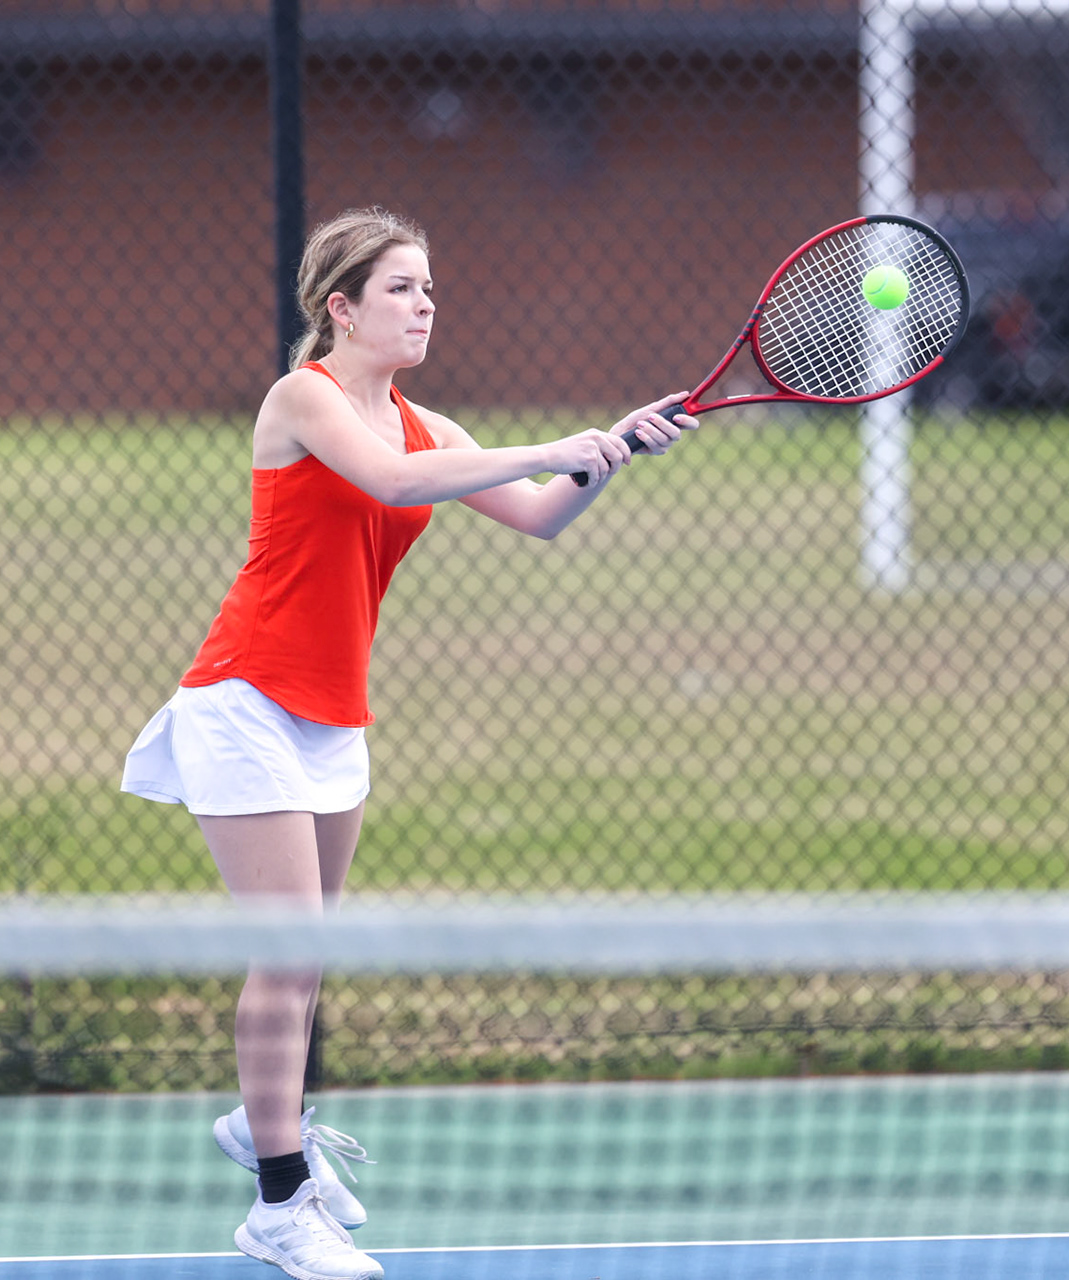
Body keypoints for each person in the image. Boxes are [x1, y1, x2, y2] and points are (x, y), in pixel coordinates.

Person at [120, 207, 695, 1280]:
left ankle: (262, 1123)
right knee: (289, 954)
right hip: (241, 699)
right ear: (341, 307)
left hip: (335, 718)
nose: (423, 305)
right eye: (400, 289)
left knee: (309, 956)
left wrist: (608, 452)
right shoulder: (305, 397)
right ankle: (280, 1204)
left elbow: (535, 515)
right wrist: (558, 439)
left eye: (429, 290)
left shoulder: (433, 425)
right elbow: (388, 482)